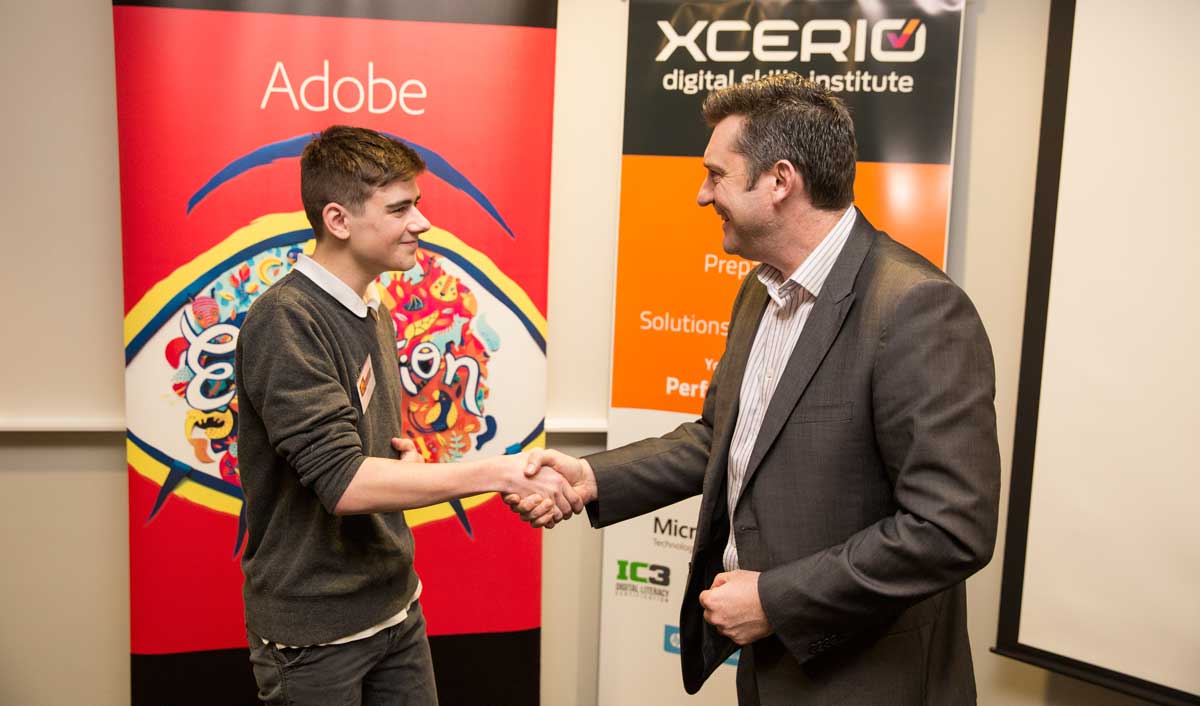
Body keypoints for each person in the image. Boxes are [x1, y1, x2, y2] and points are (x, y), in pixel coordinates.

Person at [510, 74, 1001, 705]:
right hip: (772, 668)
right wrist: (591, 477)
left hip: (869, 679)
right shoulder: (761, 289)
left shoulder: (916, 308)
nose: (701, 195)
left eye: (716, 175)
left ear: (779, 181)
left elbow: (949, 528)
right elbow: (720, 437)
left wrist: (774, 600)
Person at [235, 125, 582, 706]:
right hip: (316, 637)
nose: (421, 223)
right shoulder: (287, 319)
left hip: (395, 610)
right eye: (399, 209)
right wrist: (500, 472)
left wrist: (406, 464)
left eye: (416, 204)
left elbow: (361, 452)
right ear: (338, 220)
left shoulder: (372, 309)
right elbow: (344, 484)